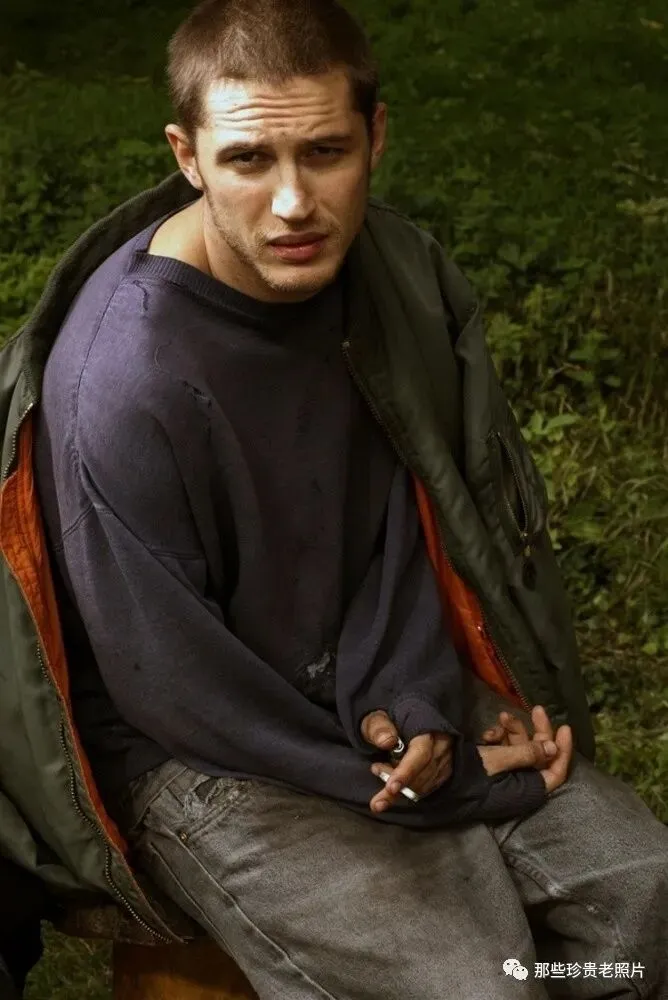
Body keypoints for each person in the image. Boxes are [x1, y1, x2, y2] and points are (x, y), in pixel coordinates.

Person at [30, 0, 667, 997]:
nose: (293, 204)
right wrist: (442, 786)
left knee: (642, 893)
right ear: (187, 156)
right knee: (475, 985)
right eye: (248, 160)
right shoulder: (127, 379)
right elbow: (174, 685)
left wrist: (412, 695)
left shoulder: (382, 282)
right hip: (202, 753)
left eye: (324, 152)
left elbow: (397, 523)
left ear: (375, 136)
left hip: (362, 681)